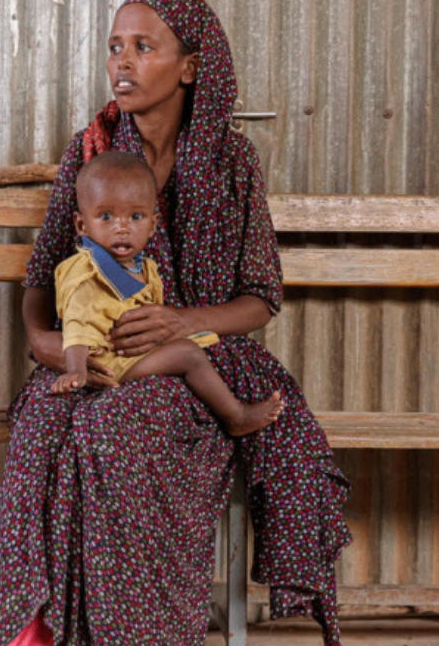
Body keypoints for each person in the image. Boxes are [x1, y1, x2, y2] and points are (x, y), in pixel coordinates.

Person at [0, 0, 351, 646]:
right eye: (114, 46)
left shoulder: (230, 161)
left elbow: (260, 299)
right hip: (84, 357)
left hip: (189, 366)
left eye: (144, 47)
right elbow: (42, 280)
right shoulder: (90, 151)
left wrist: (183, 321)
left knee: (117, 432)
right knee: (40, 430)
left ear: (193, 66)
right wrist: (47, 346)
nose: (122, 62)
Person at [51, 150, 285, 438]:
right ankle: (236, 416)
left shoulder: (143, 267)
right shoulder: (86, 272)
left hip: (132, 353)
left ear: (152, 225)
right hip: (108, 363)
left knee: (198, 348)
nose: (122, 227)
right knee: (188, 354)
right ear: (82, 225)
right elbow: (77, 322)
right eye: (106, 216)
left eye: (135, 216)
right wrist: (75, 370)